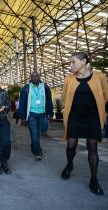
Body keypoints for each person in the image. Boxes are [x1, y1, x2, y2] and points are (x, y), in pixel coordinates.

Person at [61, 52, 108, 196]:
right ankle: (69, 165)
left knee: (92, 146)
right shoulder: (69, 79)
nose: (70, 65)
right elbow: (64, 97)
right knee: (71, 144)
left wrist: (103, 114)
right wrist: (64, 110)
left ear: (83, 62)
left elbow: (107, 96)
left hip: (92, 117)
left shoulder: (99, 77)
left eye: (73, 62)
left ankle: (94, 180)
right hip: (74, 117)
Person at [19, 71, 53, 160]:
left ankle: (34, 146)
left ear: (39, 77)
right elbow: (22, 103)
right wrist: (22, 117)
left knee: (37, 133)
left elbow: (49, 100)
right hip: (32, 115)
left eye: (36, 76)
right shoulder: (26, 88)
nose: (34, 77)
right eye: (32, 76)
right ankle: (37, 152)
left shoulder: (45, 87)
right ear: (30, 77)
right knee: (34, 133)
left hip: (42, 114)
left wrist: (50, 113)